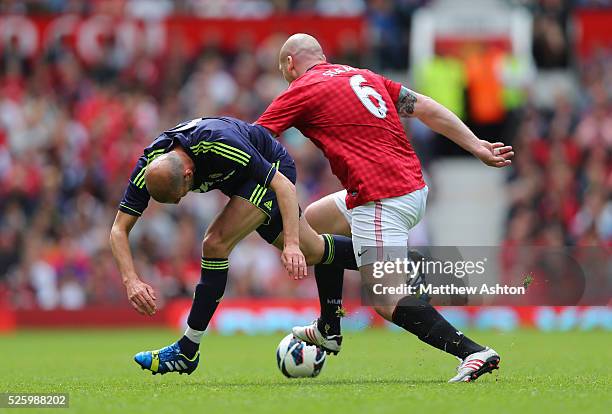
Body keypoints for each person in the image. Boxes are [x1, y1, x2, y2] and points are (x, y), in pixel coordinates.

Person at [256, 34, 514, 382]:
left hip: (380, 197)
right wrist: (476, 146)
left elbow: (253, 140)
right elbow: (425, 107)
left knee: (385, 299)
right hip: (410, 185)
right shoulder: (364, 76)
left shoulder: (301, 89)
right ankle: (329, 328)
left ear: (289, 65)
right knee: (312, 226)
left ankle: (472, 352)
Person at [109, 116, 357, 375]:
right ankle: (392, 260)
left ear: (188, 174)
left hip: (274, 170)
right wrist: (131, 281)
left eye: (179, 195)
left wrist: (291, 244)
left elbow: (282, 186)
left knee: (215, 243)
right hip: (241, 183)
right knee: (315, 251)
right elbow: (118, 229)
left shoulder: (220, 143)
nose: (181, 201)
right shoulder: (149, 165)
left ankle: (187, 349)